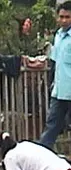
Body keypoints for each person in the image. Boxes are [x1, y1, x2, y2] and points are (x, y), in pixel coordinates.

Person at [39, 1, 71, 149]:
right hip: (59, 91)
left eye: (68, 17)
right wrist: (51, 83)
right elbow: (54, 62)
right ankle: (41, 160)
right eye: (61, 17)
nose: (64, 20)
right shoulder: (58, 35)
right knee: (51, 127)